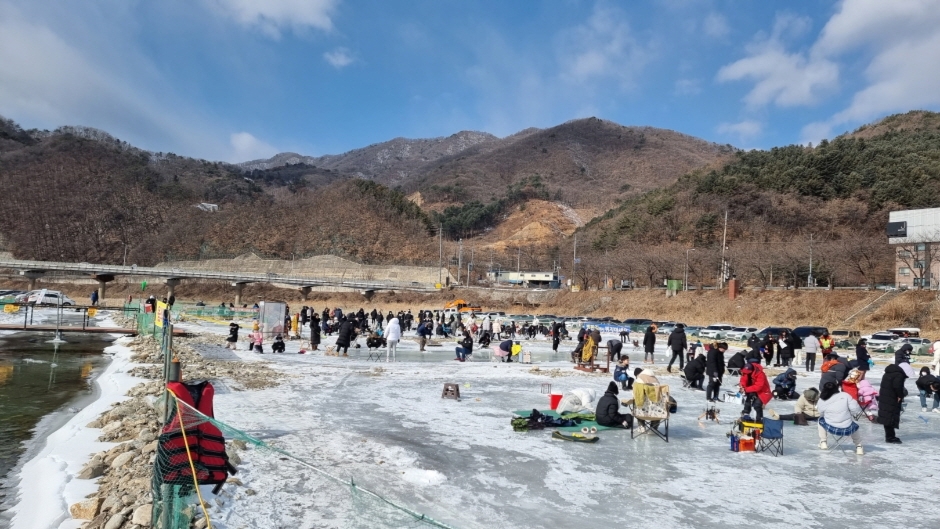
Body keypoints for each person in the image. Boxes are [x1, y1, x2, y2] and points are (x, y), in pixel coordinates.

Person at [816, 381, 864, 455]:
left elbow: (820, 412)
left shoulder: (822, 398)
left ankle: (823, 442)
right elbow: (855, 409)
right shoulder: (845, 395)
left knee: (820, 420)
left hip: (830, 426)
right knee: (854, 426)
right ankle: (859, 447)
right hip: (846, 426)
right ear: (836, 388)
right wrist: (850, 414)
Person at [878, 363, 908, 444]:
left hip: (885, 398)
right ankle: (890, 437)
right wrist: (900, 396)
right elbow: (897, 386)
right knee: (890, 417)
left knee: (887, 417)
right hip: (892, 398)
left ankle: (890, 435)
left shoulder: (887, 374)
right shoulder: (898, 375)